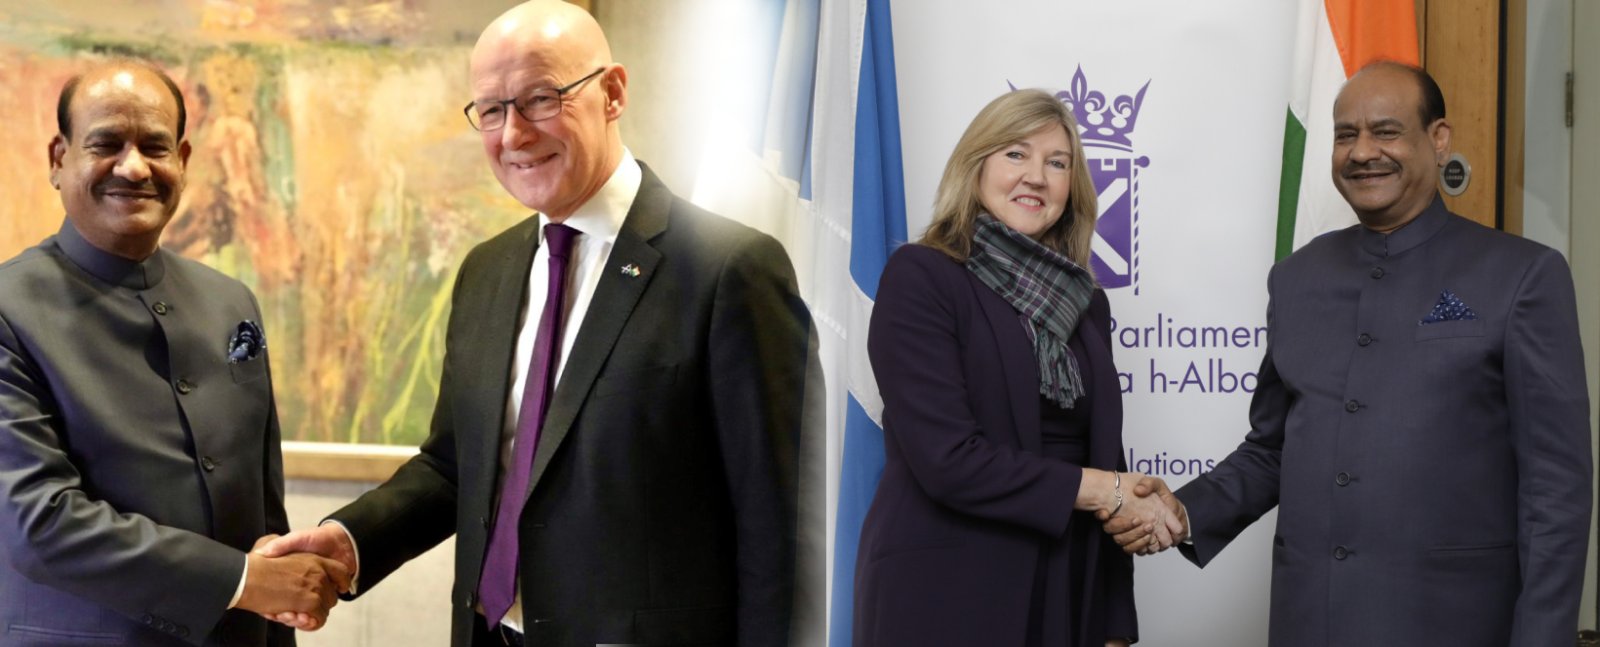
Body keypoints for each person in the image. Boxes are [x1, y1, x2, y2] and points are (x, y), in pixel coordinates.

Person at [257, 2, 816, 646]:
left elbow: (781, 532)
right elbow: (456, 466)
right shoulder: (486, 272)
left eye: (541, 98)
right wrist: (353, 542)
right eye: (491, 110)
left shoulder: (727, 271)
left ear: (612, 93)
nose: (513, 135)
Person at [1107, 61, 1593, 646]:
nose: (1363, 152)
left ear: (1438, 141)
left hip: (1455, 624)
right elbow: (1272, 448)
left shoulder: (1522, 276)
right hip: (1310, 622)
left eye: (1386, 131)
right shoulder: (1296, 278)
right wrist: (1184, 513)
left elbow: (1555, 491)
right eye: (1345, 135)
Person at [0, 60, 350, 646]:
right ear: (59, 159)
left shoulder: (229, 300)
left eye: (155, 147)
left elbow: (263, 506)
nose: (134, 167)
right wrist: (243, 580)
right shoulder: (9, 309)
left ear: (182, 161)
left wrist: (277, 594)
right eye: (106, 144)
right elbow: (36, 522)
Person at [851, 89, 1183, 647]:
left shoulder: (1088, 304)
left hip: (1067, 581)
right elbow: (948, 459)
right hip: (947, 591)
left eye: (1057, 163)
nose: (1036, 176)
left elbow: (1105, 454)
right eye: (1015, 154)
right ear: (974, 167)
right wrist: (1103, 490)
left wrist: (1113, 621)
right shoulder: (922, 277)